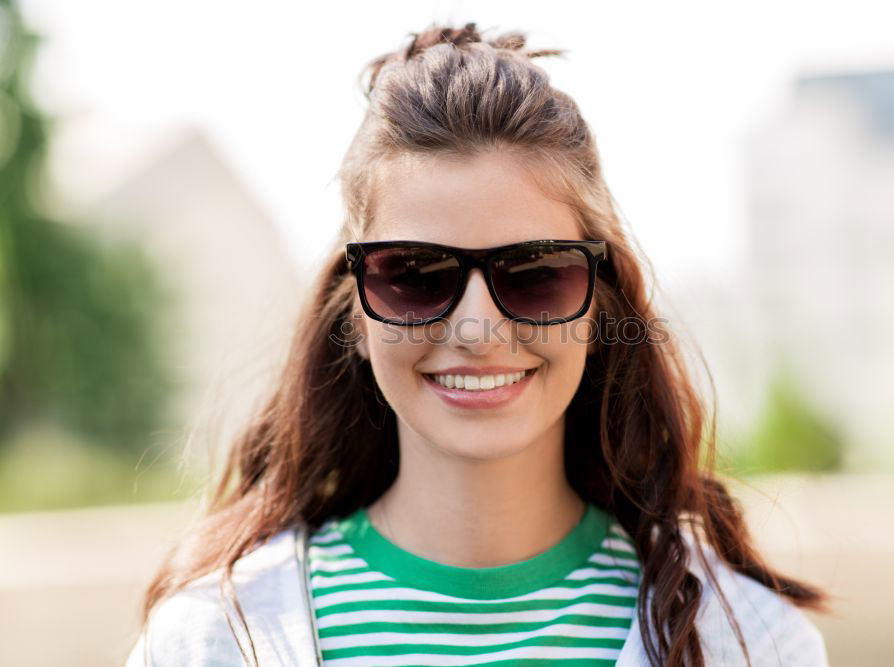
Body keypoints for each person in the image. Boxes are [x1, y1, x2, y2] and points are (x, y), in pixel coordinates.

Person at [124, 21, 832, 667]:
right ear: (356, 315)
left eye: (535, 273)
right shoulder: (210, 637)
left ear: (595, 302)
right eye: (413, 274)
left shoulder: (752, 642)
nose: (476, 327)